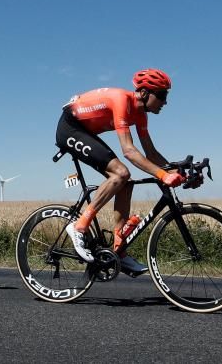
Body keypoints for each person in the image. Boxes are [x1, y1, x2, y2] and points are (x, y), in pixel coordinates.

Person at [56, 68, 189, 275]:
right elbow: (128, 150)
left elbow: (151, 153)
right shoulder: (121, 100)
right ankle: (79, 226)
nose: (165, 102)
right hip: (70, 129)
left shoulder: (141, 114)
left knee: (126, 183)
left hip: (85, 132)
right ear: (144, 93)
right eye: (162, 95)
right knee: (120, 173)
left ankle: (119, 250)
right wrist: (163, 175)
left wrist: (177, 171)